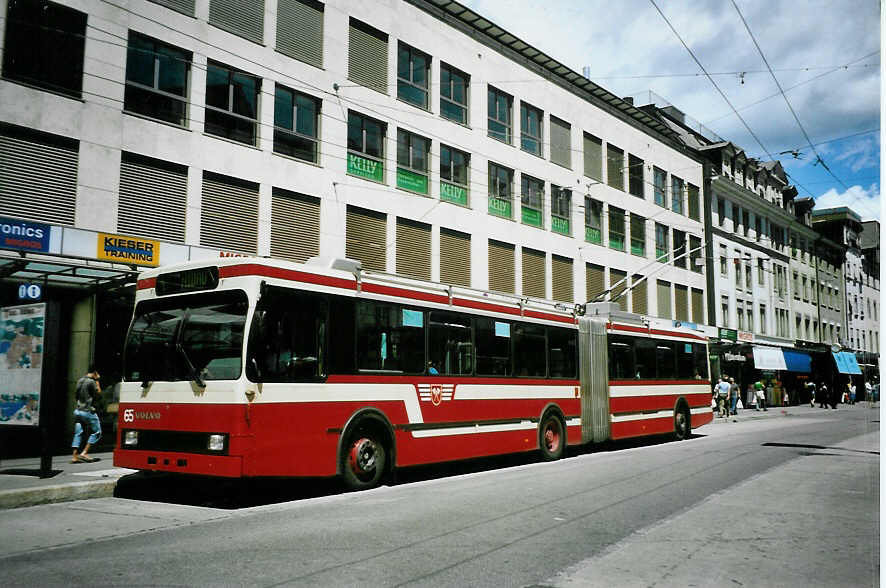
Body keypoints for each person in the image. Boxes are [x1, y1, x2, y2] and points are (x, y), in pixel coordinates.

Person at [71, 365, 102, 463]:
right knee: (97, 432)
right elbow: (98, 393)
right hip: (88, 411)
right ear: (95, 372)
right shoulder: (91, 382)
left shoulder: (80, 380)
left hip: (78, 410)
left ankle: (74, 456)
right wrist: (97, 381)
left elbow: (76, 395)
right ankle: (84, 453)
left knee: (78, 433)